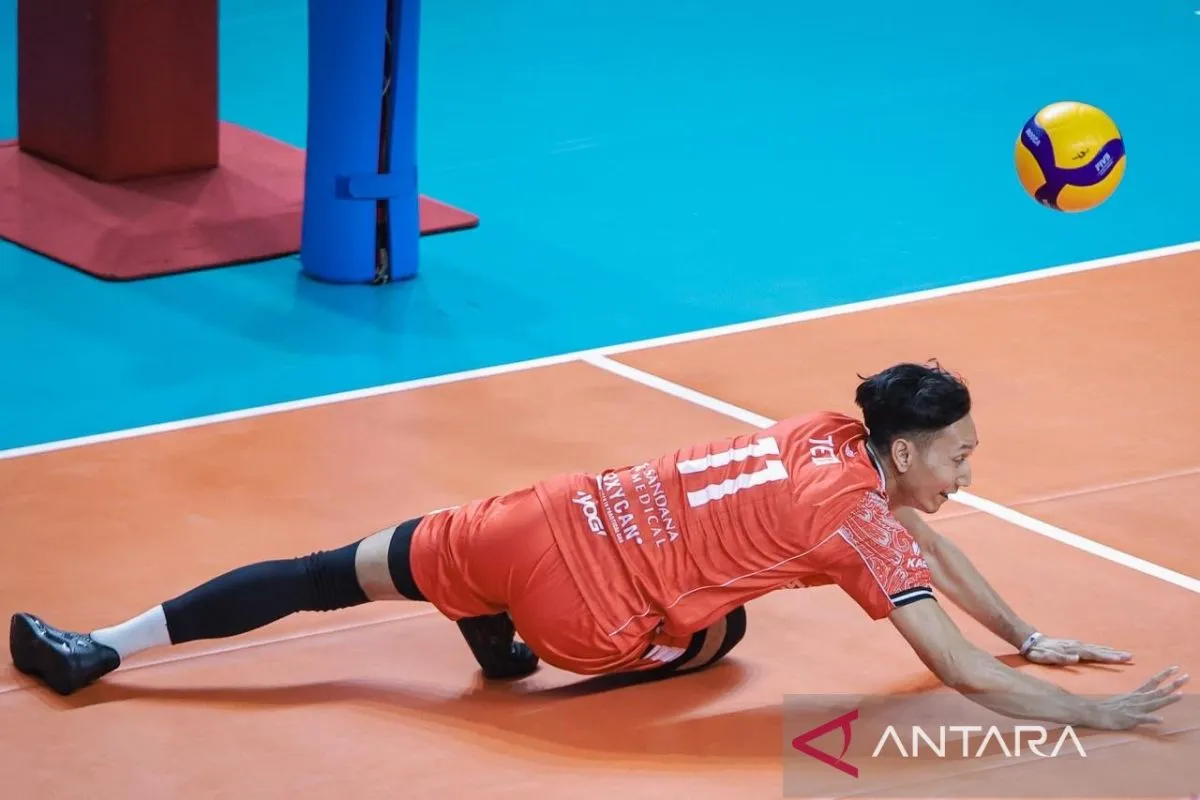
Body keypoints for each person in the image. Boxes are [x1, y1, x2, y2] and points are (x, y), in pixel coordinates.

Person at [9, 362, 1187, 729]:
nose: (968, 471)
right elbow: (960, 669)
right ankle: (505, 634)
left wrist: (1028, 624)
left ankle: (101, 643)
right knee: (723, 628)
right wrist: (1095, 715)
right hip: (586, 615)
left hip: (533, 516)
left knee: (324, 575)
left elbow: (925, 545)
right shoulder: (856, 521)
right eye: (960, 454)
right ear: (907, 450)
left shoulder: (825, 431)